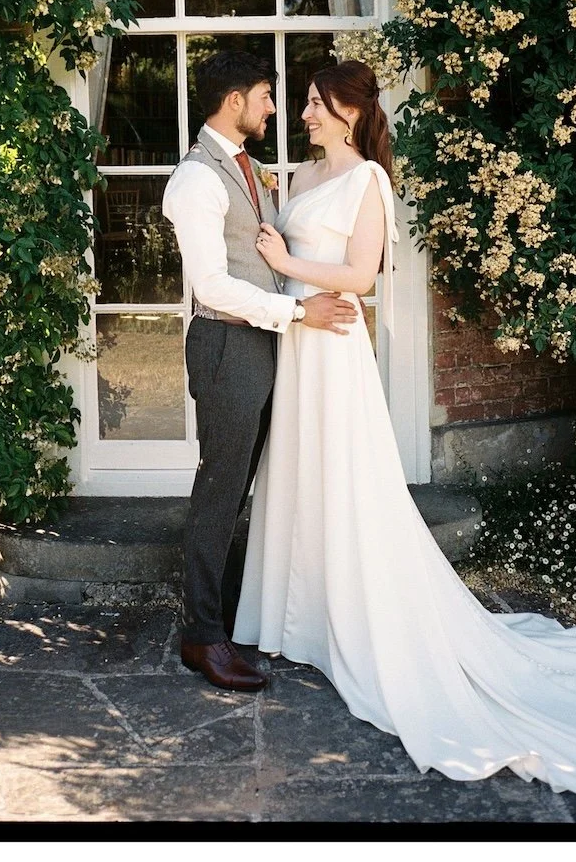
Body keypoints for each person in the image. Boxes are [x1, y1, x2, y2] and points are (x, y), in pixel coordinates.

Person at [234, 58, 576, 798]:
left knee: (342, 479)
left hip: (334, 346)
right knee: (297, 473)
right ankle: (298, 619)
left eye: (315, 104)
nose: (304, 114)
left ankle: (354, 619)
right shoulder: (301, 178)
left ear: (348, 112)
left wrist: (288, 260)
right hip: (294, 339)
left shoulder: (368, 181)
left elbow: (363, 277)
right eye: (304, 104)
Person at [161, 50, 359, 693]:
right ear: (234, 101)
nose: (275, 107)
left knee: (244, 487)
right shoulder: (196, 180)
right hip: (226, 346)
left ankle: (231, 617)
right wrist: (297, 310)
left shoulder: (246, 169)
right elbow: (213, 288)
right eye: (267, 94)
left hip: (262, 345)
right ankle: (201, 637)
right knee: (220, 490)